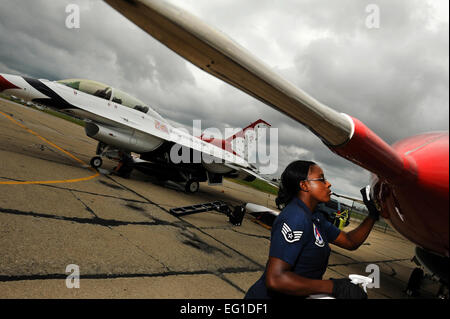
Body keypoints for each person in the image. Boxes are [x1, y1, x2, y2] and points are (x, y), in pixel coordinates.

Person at [245, 160, 380, 299]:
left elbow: (349, 241)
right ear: (304, 185)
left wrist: (372, 215)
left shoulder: (315, 218)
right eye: (321, 179)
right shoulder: (295, 218)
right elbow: (276, 280)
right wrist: (333, 287)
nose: (328, 184)